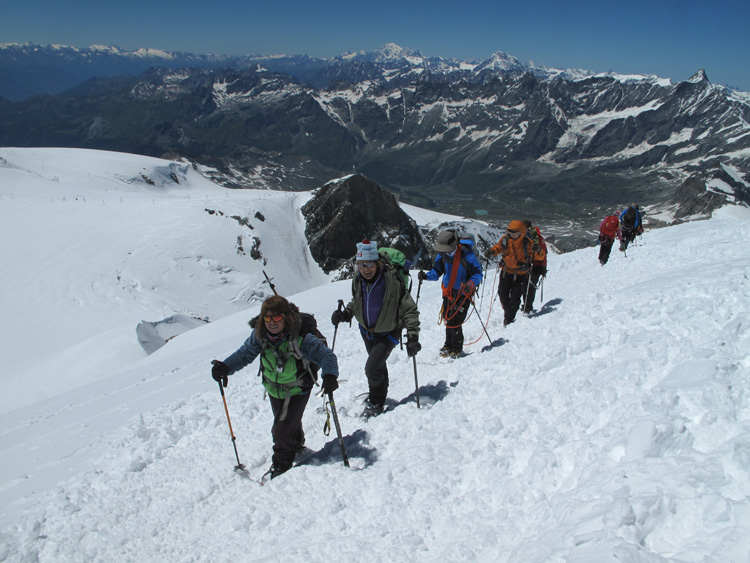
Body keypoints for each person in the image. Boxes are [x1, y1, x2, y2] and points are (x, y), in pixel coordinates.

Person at [211, 295, 339, 479]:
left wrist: (329, 375)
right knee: (287, 423)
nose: (272, 322)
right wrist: (226, 367)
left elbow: (325, 356)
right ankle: (296, 444)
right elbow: (245, 353)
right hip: (274, 388)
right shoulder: (260, 336)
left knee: (280, 429)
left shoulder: (300, 336)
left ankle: (282, 463)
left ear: (285, 317)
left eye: (277, 317)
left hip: (298, 388)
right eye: (268, 318)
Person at [331, 239, 420, 418]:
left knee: (372, 368)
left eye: (370, 264)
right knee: (378, 366)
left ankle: (376, 401)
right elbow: (357, 301)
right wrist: (346, 314)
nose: (366, 269)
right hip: (367, 332)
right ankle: (380, 395)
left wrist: (412, 336)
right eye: (362, 265)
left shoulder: (391, 280)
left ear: (377, 262)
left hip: (389, 332)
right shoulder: (359, 280)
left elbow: (409, 308)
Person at [418, 230, 483, 358]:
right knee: (448, 319)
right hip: (448, 293)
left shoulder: (467, 255)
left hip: (463, 294)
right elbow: (436, 272)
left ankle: (456, 348)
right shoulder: (442, 255)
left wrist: (470, 285)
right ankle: (448, 345)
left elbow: (477, 274)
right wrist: (426, 276)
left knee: (455, 321)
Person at [485, 220, 533, 327]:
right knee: (502, 294)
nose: (512, 235)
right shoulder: (506, 239)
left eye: (515, 234)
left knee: (515, 298)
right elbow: (499, 247)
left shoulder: (527, 243)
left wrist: (538, 252)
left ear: (521, 233)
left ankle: (509, 319)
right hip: (506, 272)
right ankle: (509, 313)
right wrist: (492, 251)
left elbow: (535, 255)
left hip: (520, 274)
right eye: (510, 233)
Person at [521, 220, 547, 313]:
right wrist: (543, 268)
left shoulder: (533, 238)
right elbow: (544, 254)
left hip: (532, 265)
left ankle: (527, 306)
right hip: (537, 265)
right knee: (529, 285)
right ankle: (527, 305)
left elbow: (542, 253)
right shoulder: (537, 237)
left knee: (527, 285)